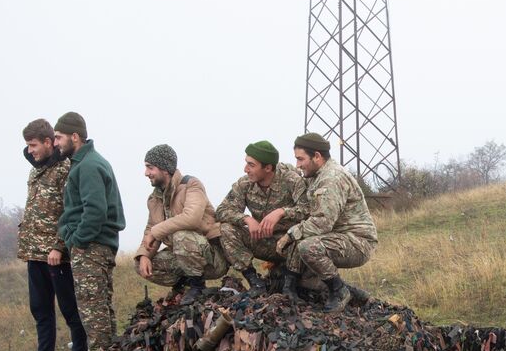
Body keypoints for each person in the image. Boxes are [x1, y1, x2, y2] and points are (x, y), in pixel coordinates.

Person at [278, 132, 377, 311]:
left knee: (307, 246)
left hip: (358, 242)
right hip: (339, 237)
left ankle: (339, 291)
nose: (298, 165)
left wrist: (290, 235)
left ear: (317, 156)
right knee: (307, 274)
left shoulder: (332, 178)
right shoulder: (317, 174)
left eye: (301, 159)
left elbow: (322, 223)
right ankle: (352, 292)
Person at [17, 118, 88, 351]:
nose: (30, 150)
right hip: (34, 253)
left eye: (34, 145)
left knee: (70, 308)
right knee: (40, 308)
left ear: (48, 142)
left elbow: (70, 211)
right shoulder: (35, 170)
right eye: (28, 145)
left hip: (57, 255)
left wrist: (58, 246)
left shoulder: (64, 169)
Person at [54, 111, 125, 351]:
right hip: (95, 245)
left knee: (93, 310)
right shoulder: (87, 163)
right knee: (101, 307)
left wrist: (77, 240)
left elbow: (95, 210)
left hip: (92, 246)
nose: (55, 143)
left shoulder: (88, 166)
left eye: (58, 137)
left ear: (75, 137)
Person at [133, 144, 228, 294]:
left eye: (150, 168)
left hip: (212, 259)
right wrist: (144, 255)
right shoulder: (154, 199)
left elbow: (192, 219)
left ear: (164, 169)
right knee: (140, 264)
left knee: (181, 236)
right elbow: (150, 228)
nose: (146, 173)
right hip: (181, 257)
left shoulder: (192, 185)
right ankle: (185, 285)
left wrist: (156, 231)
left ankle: (197, 287)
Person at [215, 140, 309, 289]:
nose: (246, 169)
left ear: (268, 168)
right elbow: (221, 211)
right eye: (246, 163)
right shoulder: (244, 184)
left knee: (305, 234)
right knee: (226, 229)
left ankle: (290, 285)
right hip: (261, 240)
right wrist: (246, 219)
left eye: (251, 165)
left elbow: (308, 210)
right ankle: (254, 281)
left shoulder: (292, 180)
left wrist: (282, 212)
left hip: (289, 244)